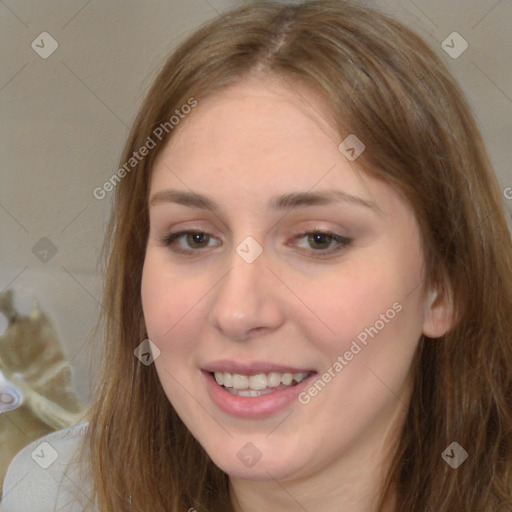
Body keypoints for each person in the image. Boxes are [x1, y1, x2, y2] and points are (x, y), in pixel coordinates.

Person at [2, 1, 512, 511]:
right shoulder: (54, 493)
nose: (237, 311)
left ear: (445, 286)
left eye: (318, 239)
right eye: (194, 239)